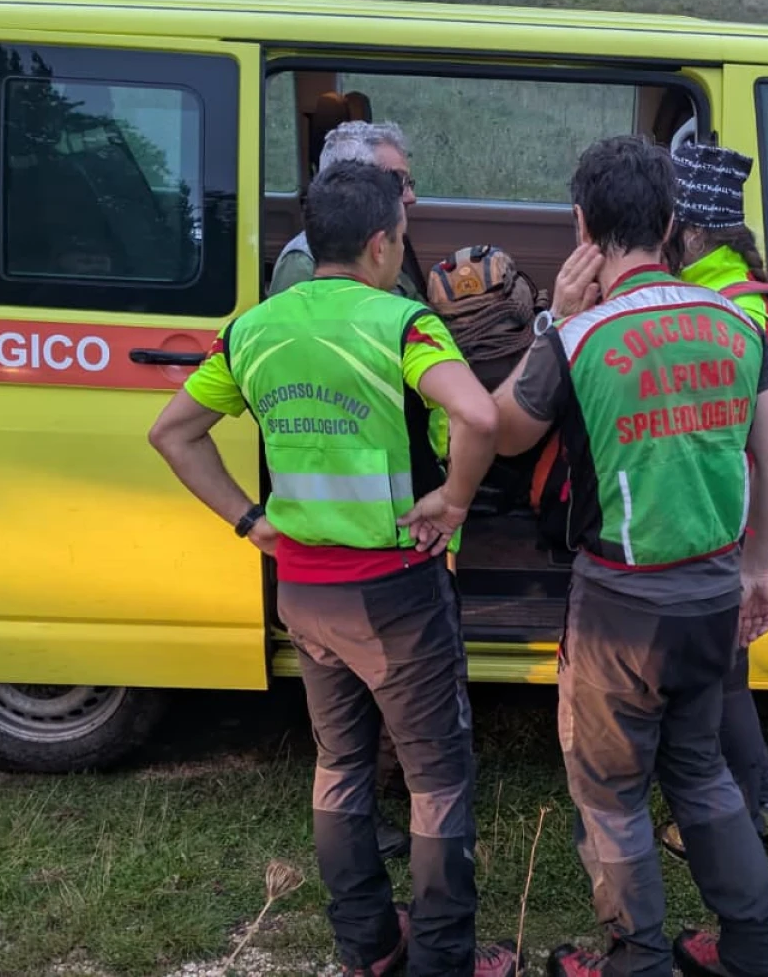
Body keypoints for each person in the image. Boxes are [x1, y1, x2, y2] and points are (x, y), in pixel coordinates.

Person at [150, 161, 518, 977]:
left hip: (304, 593)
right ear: (385, 241)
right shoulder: (403, 325)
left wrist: (251, 521)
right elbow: (478, 413)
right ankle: (444, 960)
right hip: (395, 594)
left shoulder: (254, 330)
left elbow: (173, 433)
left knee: (341, 767)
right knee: (437, 781)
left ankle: (369, 947)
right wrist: (453, 503)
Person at [492, 135, 768, 977]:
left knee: (614, 796)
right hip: (712, 601)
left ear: (583, 225)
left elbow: (501, 429)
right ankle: (755, 951)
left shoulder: (580, 338)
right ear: (671, 223)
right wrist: (756, 571)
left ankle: (636, 960)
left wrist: (551, 315)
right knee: (702, 776)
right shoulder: (742, 324)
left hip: (618, 611)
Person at [267, 117, 427, 864]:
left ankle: (370, 825)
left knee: (346, 734)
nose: (411, 195)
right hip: (363, 542)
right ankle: (390, 804)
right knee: (393, 724)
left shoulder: (372, 252)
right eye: (398, 183)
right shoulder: (316, 276)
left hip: (337, 554)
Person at [654, 140, 768, 868]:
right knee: (723, 675)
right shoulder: (748, 288)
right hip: (734, 512)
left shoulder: (722, 309)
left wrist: (757, 564)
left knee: (719, 678)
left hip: (718, 514)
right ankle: (766, 808)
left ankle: (760, 814)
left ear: (687, 233)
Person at [270, 120, 426, 301]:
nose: (411, 196)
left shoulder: (387, 238)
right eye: (397, 181)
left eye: (408, 183)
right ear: (352, 181)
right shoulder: (302, 262)